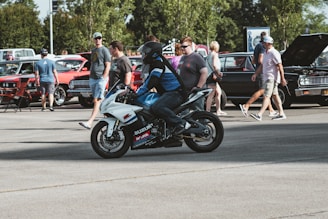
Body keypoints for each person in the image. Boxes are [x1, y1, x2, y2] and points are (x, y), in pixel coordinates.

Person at [136, 41, 190, 134]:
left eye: (146, 52)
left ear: (152, 53)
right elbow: (148, 81)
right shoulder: (155, 63)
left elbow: (152, 82)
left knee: (157, 107)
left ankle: (180, 124)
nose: (143, 55)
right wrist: (135, 92)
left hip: (176, 93)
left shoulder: (159, 64)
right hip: (169, 92)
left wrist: (136, 94)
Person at [239, 31, 277, 117]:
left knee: (266, 93)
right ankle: (246, 105)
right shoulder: (263, 47)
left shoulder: (257, 46)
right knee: (263, 90)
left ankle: (271, 110)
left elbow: (253, 60)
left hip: (259, 70)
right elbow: (260, 60)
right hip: (263, 71)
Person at [250, 36, 287, 121]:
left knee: (267, 96)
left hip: (271, 78)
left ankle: (259, 114)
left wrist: (282, 78)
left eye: (263, 43)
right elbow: (262, 65)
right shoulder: (266, 53)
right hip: (267, 77)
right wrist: (255, 74)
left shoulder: (274, 53)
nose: (262, 44)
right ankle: (281, 113)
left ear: (268, 43)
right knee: (275, 95)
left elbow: (280, 66)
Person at [79, 32, 111, 129]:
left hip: (101, 78)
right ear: (93, 39)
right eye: (96, 38)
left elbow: (108, 65)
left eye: (99, 38)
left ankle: (90, 122)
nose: (98, 40)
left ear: (101, 39)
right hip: (93, 78)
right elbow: (93, 63)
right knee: (98, 100)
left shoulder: (104, 50)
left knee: (97, 100)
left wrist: (104, 77)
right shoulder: (93, 51)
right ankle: (108, 117)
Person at [177, 36, 208, 111]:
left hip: (195, 92)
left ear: (190, 46)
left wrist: (198, 87)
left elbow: (204, 72)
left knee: (198, 111)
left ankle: (204, 122)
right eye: (181, 46)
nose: (182, 48)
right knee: (184, 113)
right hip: (185, 91)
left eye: (184, 46)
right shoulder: (183, 58)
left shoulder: (196, 57)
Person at [205, 41, 227, 116]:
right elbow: (214, 65)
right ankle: (208, 111)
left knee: (219, 92)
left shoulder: (209, 55)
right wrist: (218, 73)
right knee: (211, 94)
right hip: (212, 76)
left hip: (209, 75)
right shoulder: (214, 55)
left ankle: (218, 110)